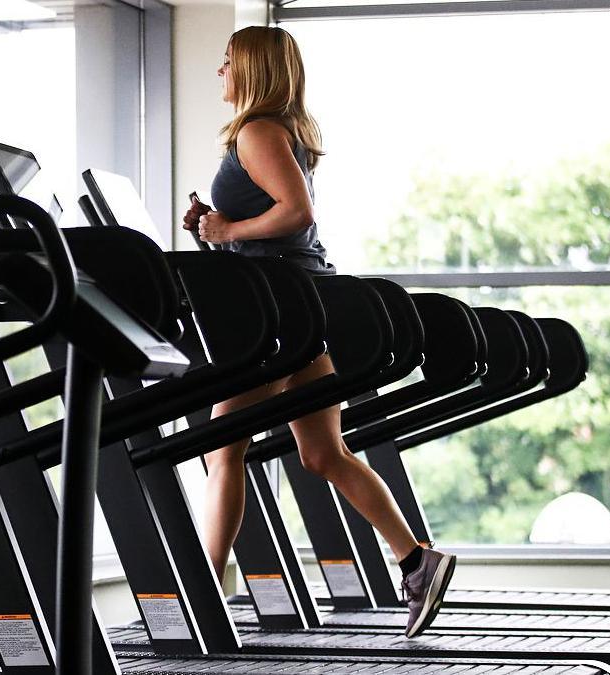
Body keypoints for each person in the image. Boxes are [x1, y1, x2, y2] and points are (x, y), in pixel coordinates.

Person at [181, 25, 455, 639]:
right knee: (322, 452)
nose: (220, 73)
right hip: (301, 302)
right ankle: (417, 561)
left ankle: (200, 597)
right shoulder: (281, 131)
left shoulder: (257, 131)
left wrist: (225, 233)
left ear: (251, 70)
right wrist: (218, 224)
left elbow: (297, 213)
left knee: (222, 449)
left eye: (227, 63)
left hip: (279, 310)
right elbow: (278, 214)